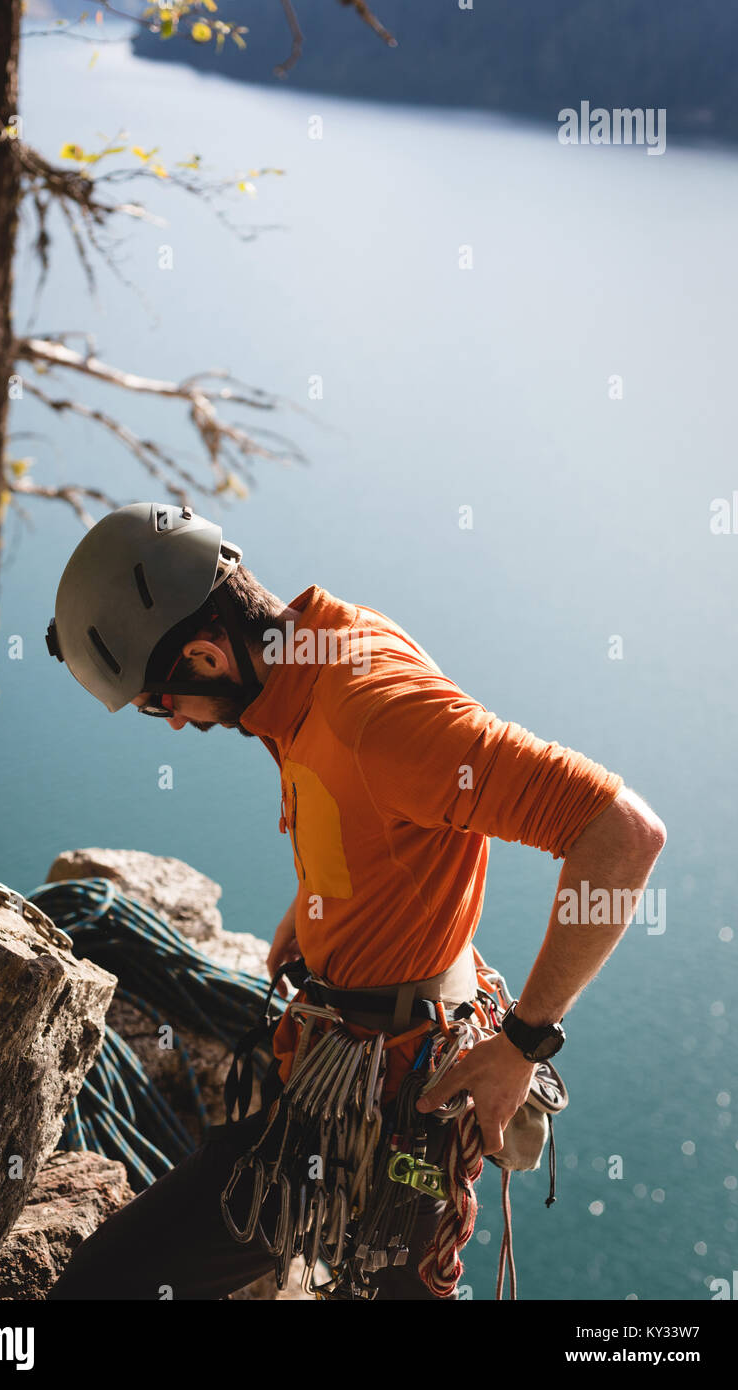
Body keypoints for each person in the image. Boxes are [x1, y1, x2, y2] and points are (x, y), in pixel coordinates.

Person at [44, 501, 666, 1300]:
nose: (169, 726)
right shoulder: (298, 663)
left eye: (160, 703)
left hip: (397, 1093)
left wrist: (521, 1044)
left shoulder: (375, 712)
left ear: (204, 656)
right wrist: (315, 909)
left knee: (106, 1286)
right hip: (346, 1057)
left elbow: (621, 832)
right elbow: (368, 812)